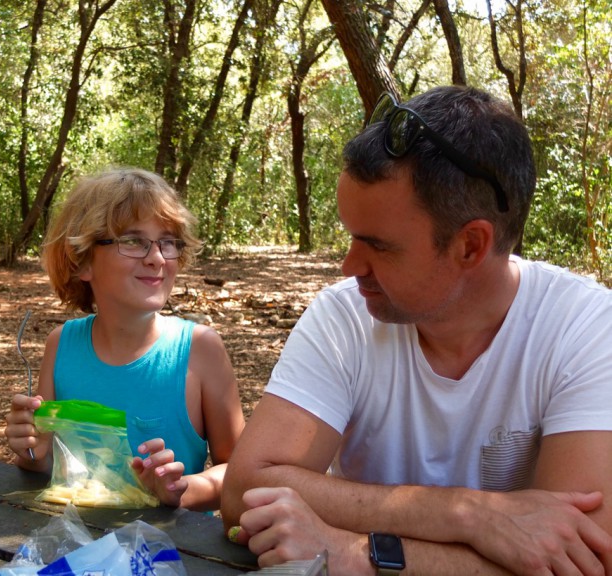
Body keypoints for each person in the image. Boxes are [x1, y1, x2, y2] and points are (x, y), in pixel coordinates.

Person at [221, 86, 612, 575]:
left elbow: (585, 559)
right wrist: (469, 515)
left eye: (379, 246)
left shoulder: (584, 329)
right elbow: (244, 489)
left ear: (470, 245)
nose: (348, 267)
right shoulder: (345, 318)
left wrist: (355, 554)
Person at [4, 167, 244, 512]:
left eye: (168, 242)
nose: (156, 257)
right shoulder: (62, 345)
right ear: (82, 261)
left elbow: (238, 471)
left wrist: (181, 490)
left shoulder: (200, 350)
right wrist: (29, 449)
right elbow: (45, 465)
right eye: (133, 241)